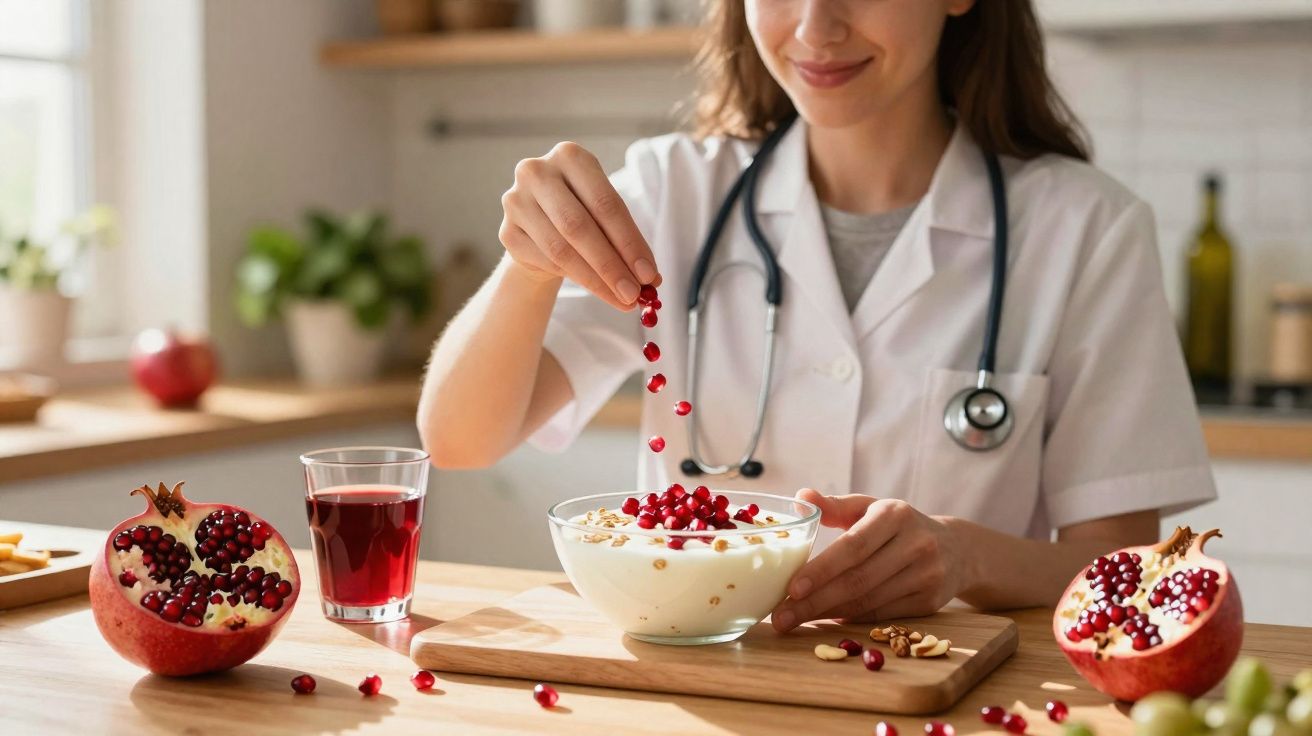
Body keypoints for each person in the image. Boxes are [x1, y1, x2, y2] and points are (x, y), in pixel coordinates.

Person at [417, 0, 1216, 630]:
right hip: (705, 694)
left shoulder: (1087, 230)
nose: (815, 26)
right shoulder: (674, 196)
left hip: (945, 702)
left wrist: (964, 558)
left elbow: (1129, 570)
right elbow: (458, 438)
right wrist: (527, 269)